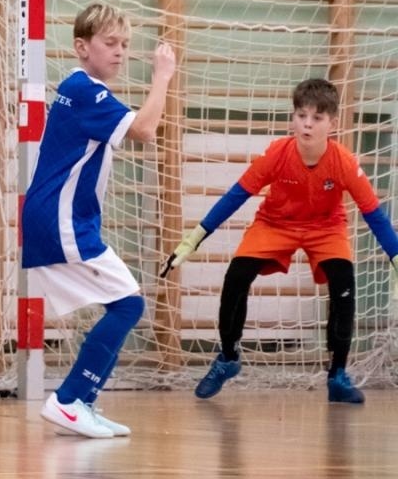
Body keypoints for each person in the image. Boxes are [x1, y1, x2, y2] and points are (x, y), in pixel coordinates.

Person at [162, 76, 398, 403]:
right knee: (236, 275)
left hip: (325, 227)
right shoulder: (277, 154)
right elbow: (235, 195)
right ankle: (228, 357)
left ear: (332, 122)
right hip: (275, 223)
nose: (307, 124)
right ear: (293, 117)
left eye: (316, 118)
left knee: (344, 283)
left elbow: (374, 214)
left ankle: (338, 376)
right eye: (301, 115)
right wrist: (195, 238)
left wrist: (396, 255)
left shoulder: (343, 162)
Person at [21, 4, 176, 439]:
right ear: (81, 47)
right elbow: (146, 130)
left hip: (59, 218)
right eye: (111, 43)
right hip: (59, 219)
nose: (121, 52)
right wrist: (163, 75)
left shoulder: (83, 90)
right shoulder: (87, 90)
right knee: (129, 303)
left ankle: (82, 402)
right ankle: (70, 400)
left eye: (125, 44)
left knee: (123, 304)